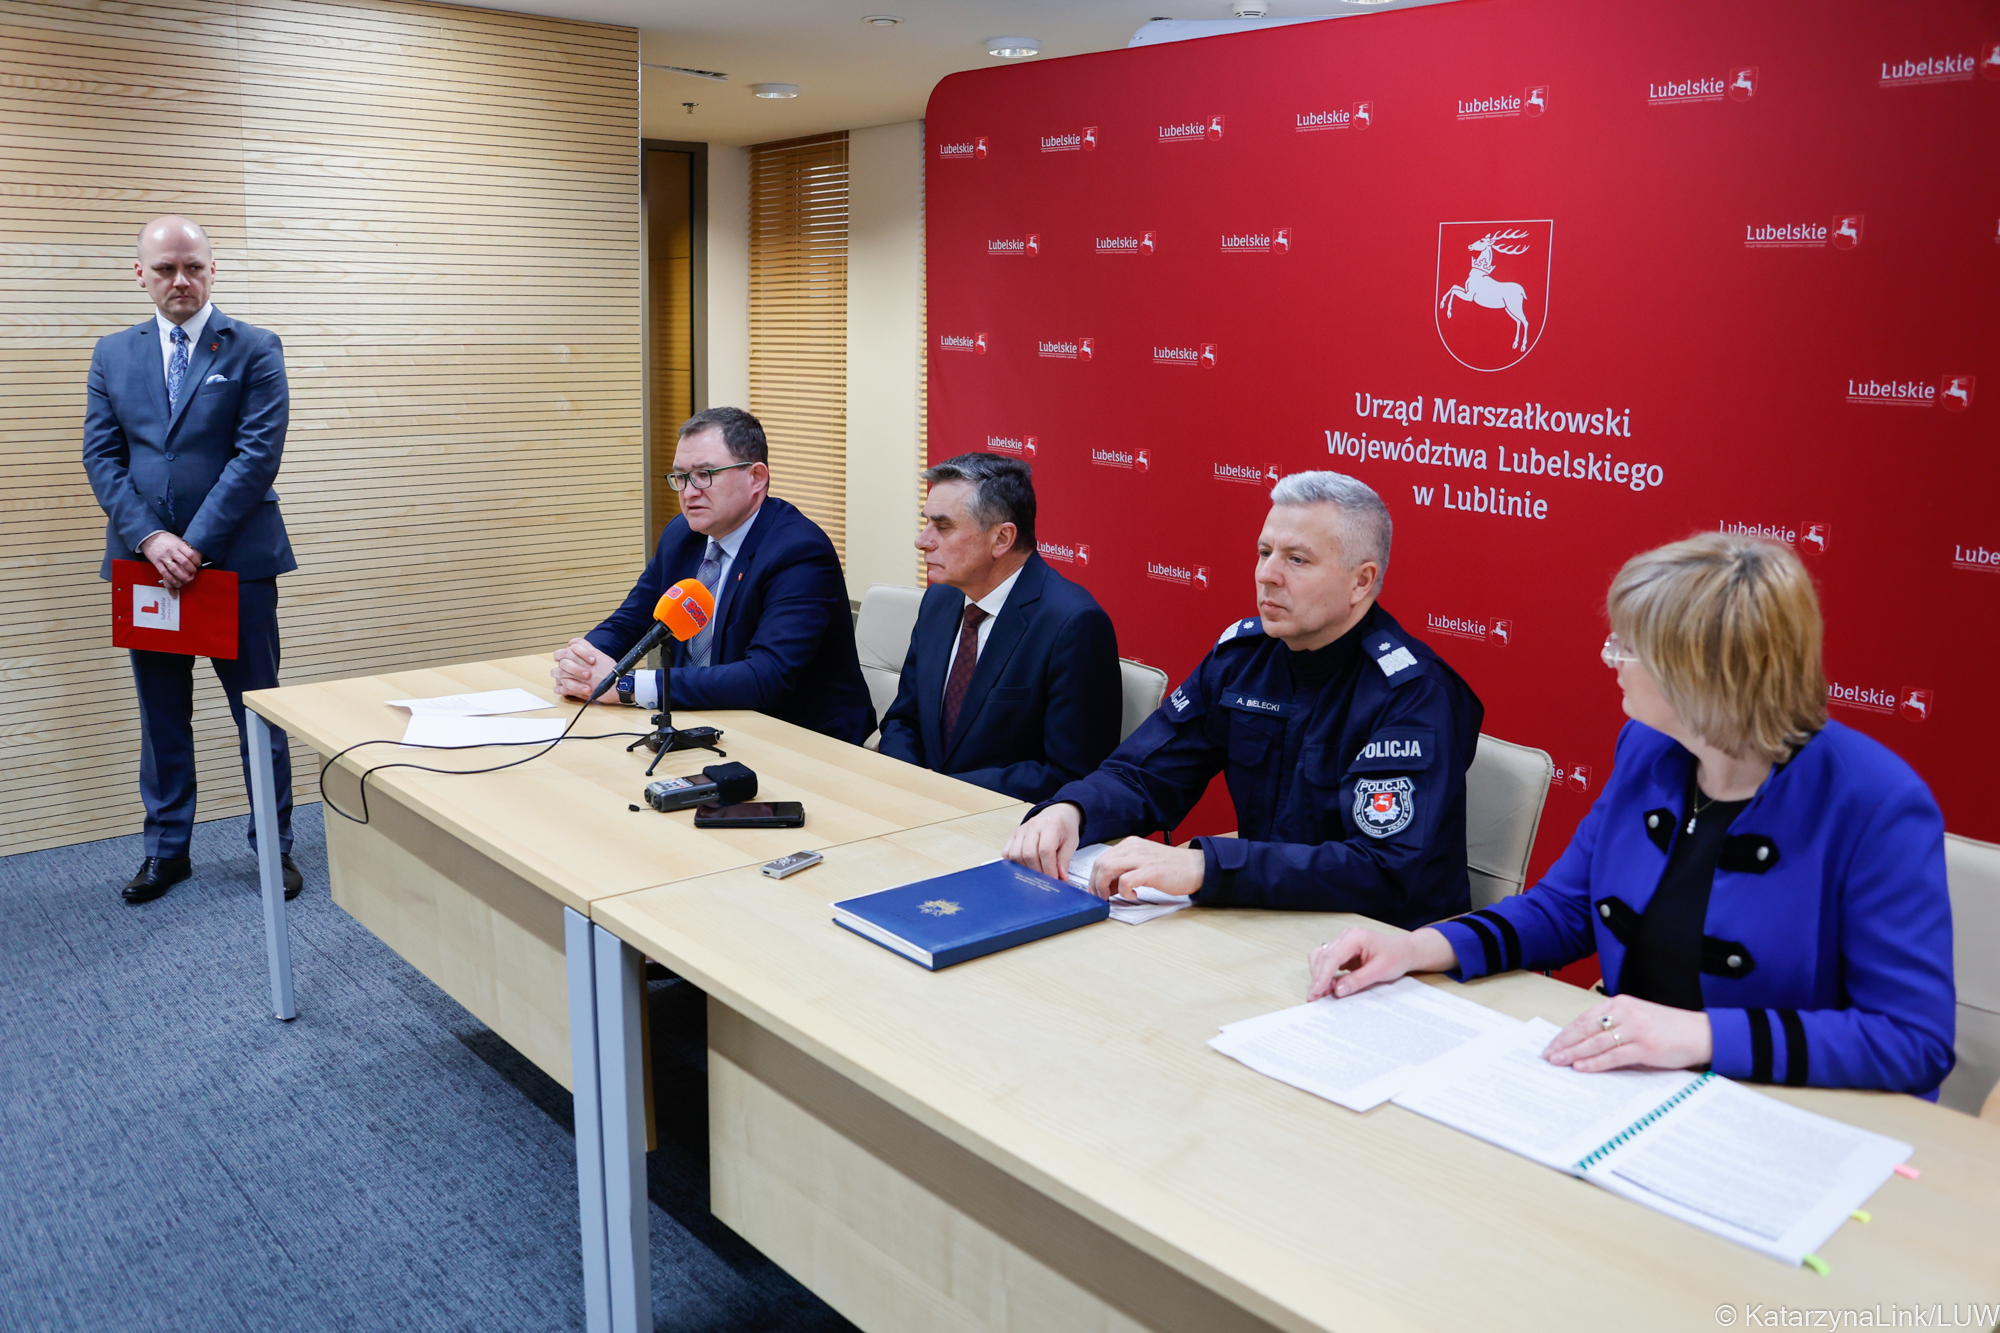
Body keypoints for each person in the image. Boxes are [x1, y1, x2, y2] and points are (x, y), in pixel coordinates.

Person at [1308, 533, 1957, 1097]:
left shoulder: (1874, 802)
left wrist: (1698, 1035)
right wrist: (1416, 947)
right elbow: (1564, 910)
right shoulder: (1649, 749)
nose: (1608, 657)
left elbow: (1912, 1039)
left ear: (1698, 673)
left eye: (1627, 645)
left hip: (1782, 1106)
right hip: (1631, 1084)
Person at [1004, 471, 1483, 928]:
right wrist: (1073, 810)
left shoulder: (1414, 694)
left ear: (1361, 581)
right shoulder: (1242, 659)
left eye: (1297, 560)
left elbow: (1380, 870)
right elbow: (1145, 772)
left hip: (1385, 945)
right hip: (1265, 915)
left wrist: (1206, 867)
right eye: (1264, 551)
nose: (1267, 574)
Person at [82, 216, 303, 904]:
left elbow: (257, 455)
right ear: (140, 274)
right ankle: (166, 851)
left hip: (237, 563)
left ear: (212, 269)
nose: (181, 280)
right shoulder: (113, 353)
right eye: (166, 268)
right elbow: (102, 456)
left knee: (256, 713)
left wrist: (195, 543)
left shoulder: (255, 347)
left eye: (193, 267)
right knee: (162, 717)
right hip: (146, 568)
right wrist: (152, 539)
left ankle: (273, 848)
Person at [551, 407, 875, 744]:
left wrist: (627, 685)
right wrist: (584, 665)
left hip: (802, 742)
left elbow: (764, 677)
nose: (689, 492)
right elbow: (629, 622)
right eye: (681, 477)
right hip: (707, 725)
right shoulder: (682, 535)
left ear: (756, 477)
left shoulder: (799, 552)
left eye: (704, 474)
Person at [877, 453, 1122, 801]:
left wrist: (946, 792)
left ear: (1002, 539)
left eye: (943, 527)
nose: (922, 540)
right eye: (926, 522)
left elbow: (1072, 772)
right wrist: (912, 781)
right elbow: (904, 719)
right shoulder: (940, 599)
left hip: (1004, 822)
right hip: (916, 807)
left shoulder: (1073, 625)